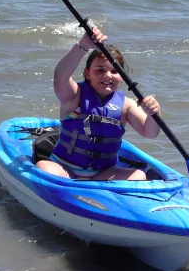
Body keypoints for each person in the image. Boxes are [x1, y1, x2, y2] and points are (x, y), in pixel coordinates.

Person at [36, 27, 161, 180]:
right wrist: (83, 46)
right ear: (87, 73)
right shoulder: (74, 95)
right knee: (44, 167)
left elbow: (150, 133)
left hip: (103, 174)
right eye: (100, 70)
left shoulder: (126, 105)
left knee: (139, 175)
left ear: (121, 76)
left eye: (114, 71)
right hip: (64, 169)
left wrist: (154, 113)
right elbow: (60, 76)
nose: (107, 75)